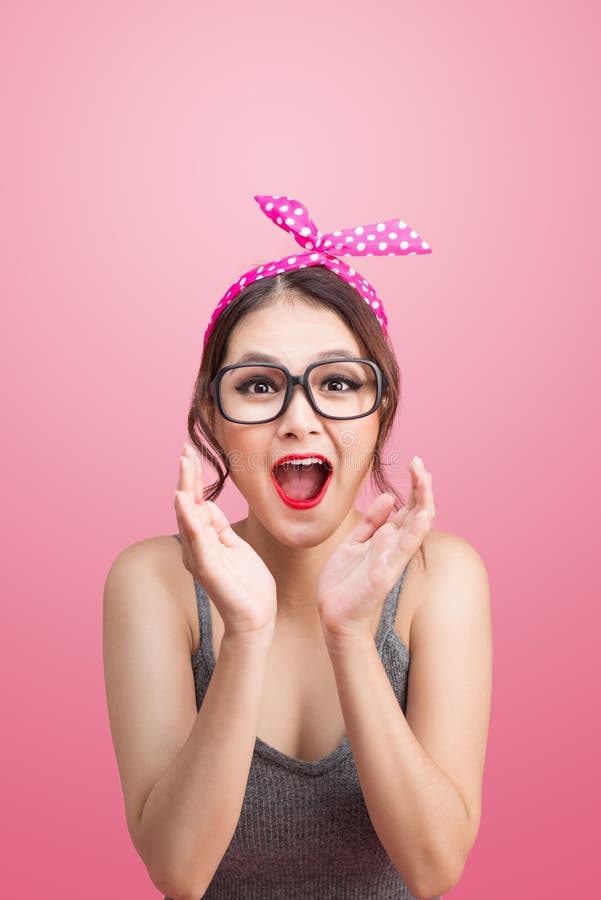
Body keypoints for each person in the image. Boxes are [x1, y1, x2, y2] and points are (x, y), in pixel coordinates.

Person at [103, 195, 492, 900]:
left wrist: (350, 635)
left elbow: (434, 868)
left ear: (380, 414)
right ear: (212, 421)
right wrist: (246, 635)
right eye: (257, 386)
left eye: (338, 383)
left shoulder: (442, 577)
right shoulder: (155, 582)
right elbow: (179, 873)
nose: (298, 419)